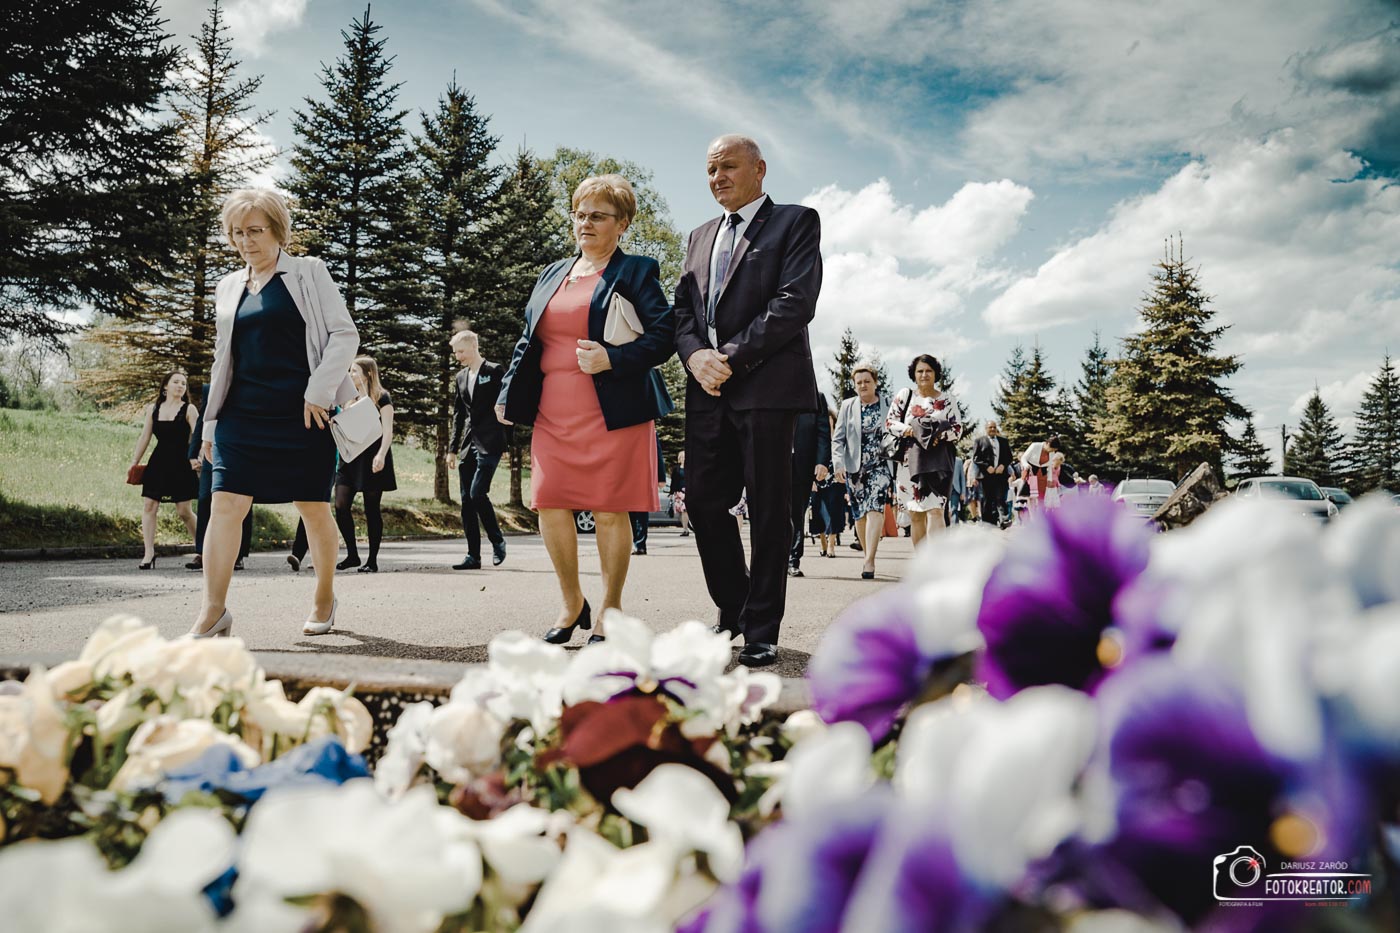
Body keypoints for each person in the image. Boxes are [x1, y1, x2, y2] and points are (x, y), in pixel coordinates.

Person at [496, 174, 674, 645]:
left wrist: (613, 358)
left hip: (612, 410)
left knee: (610, 510)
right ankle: (572, 601)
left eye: (598, 215)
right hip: (553, 409)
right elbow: (527, 339)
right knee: (549, 503)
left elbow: (665, 336)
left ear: (623, 224)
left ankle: (611, 609)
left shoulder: (636, 271)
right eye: (579, 214)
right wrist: (507, 393)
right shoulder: (552, 273)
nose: (585, 223)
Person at [672, 135, 822, 668]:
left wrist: (728, 358)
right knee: (703, 504)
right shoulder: (698, 236)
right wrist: (695, 357)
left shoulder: (795, 222)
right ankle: (734, 607)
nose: (718, 177)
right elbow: (683, 312)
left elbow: (794, 303)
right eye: (711, 170)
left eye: (728, 167)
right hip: (706, 390)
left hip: (766, 388)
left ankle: (761, 628)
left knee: (768, 510)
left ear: (759, 169)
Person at [189, 187, 358, 639]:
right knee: (224, 505)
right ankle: (213, 611)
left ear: (277, 230)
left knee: (313, 508)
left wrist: (318, 392)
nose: (245, 241)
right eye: (236, 233)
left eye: (255, 231)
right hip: (240, 415)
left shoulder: (308, 273)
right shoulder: (228, 286)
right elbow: (222, 360)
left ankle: (324, 596)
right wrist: (210, 426)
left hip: (304, 414)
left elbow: (345, 335)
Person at [446, 329, 508, 570]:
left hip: (491, 442)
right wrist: (452, 449)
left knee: (477, 493)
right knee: (466, 502)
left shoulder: (494, 371)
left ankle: (497, 540)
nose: (458, 356)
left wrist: (506, 443)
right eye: (455, 353)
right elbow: (458, 414)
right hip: (468, 444)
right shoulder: (460, 377)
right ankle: (473, 556)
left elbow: (506, 407)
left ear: (474, 346)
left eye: (461, 351)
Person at [887, 354, 963, 547]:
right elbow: (890, 423)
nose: (924, 374)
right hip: (910, 463)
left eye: (929, 370)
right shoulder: (906, 395)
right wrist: (910, 430)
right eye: (920, 371)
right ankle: (921, 560)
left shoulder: (947, 399)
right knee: (916, 514)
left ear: (936, 373)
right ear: (913, 374)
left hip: (939, 462)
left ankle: (935, 560)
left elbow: (958, 429)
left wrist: (938, 435)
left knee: (936, 511)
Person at [128, 370, 199, 569]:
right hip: (158, 463)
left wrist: (197, 457)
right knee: (149, 506)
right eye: (176, 382)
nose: (180, 386)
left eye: (183, 383)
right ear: (165, 386)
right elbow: (145, 436)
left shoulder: (189, 409)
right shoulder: (153, 409)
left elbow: (198, 436)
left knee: (184, 511)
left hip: (182, 463)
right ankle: (149, 553)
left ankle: (203, 548)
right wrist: (134, 461)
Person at [334, 356, 396, 573]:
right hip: (350, 458)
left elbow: (388, 430)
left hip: (372, 457)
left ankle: (372, 560)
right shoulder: (347, 399)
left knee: (371, 509)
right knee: (340, 505)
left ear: (368, 374)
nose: (350, 375)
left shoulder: (382, 397)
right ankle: (352, 555)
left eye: (354, 371)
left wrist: (381, 455)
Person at [832, 365, 892, 581]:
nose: (863, 385)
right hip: (855, 468)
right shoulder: (848, 406)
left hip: (881, 465)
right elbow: (838, 439)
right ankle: (867, 554)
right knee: (860, 515)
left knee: (875, 508)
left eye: (867, 381)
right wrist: (838, 464)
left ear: (875, 382)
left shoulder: (888, 403)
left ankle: (870, 560)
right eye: (859, 382)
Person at [187, 382, 251, 572]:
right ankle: (202, 552)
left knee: (241, 499)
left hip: (243, 449)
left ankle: (238, 555)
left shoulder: (249, 384)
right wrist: (192, 453)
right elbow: (203, 421)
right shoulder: (210, 388)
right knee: (205, 498)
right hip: (213, 450)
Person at [789, 390, 831, 577]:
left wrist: (821, 462)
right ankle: (774, 560)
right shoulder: (772, 392)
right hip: (774, 463)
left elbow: (823, 433)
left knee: (797, 513)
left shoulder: (816, 397)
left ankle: (793, 559)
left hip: (803, 465)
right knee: (774, 512)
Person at [973, 420, 1013, 527]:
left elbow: (1009, 457)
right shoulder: (979, 441)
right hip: (986, 477)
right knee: (987, 500)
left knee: (1001, 498)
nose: (992, 429)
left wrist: (1003, 465)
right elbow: (976, 458)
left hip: (1000, 476)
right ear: (986, 428)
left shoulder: (1003, 441)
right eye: (990, 427)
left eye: (994, 427)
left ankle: (1004, 520)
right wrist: (986, 467)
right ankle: (988, 524)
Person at [630, 436, 665, 555]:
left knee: (641, 512)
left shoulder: (650, 431)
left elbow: (657, 453)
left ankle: (640, 545)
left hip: (643, 475)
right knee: (627, 513)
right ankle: (630, 543)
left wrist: (661, 477)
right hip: (625, 475)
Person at [1019, 435, 1061, 508]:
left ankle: (1040, 513)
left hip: (1042, 475)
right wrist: (1026, 465)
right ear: (1048, 443)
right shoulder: (1035, 446)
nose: (1052, 451)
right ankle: (1032, 514)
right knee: (1032, 496)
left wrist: (1050, 479)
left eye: (1054, 450)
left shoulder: (1052, 453)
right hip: (1032, 473)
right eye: (1052, 449)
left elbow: (1050, 466)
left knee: (1041, 497)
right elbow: (1024, 458)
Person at [670, 451, 689, 537]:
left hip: (687, 492)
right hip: (678, 492)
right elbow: (673, 481)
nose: (683, 458)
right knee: (680, 512)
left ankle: (686, 530)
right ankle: (685, 528)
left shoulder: (689, 468)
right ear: (679, 458)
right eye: (682, 457)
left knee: (685, 510)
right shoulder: (676, 469)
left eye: (684, 457)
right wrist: (671, 493)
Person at [963, 455, 982, 522]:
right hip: (970, 484)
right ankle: (974, 517)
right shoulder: (968, 462)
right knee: (971, 500)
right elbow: (964, 473)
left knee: (979, 500)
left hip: (980, 483)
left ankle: (980, 516)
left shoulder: (981, 461)